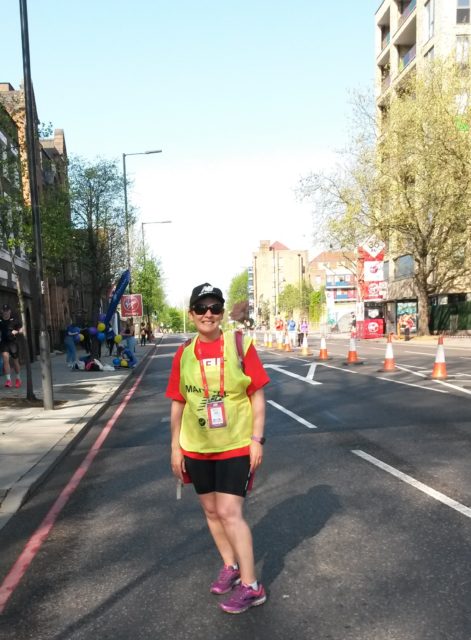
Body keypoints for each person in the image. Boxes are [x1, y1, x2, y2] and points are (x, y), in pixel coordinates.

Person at [166, 283, 270, 614]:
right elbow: (178, 402)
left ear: (222, 313)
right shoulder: (183, 353)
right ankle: (231, 566)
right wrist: (175, 447)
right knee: (210, 511)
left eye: (214, 308)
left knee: (229, 512)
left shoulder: (240, 345)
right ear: (192, 314)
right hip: (196, 446)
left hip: (235, 444)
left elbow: (257, 394)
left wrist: (257, 438)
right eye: (201, 308)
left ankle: (252, 586)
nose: (208, 314)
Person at [0, 304, 23, 388]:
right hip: (4, 343)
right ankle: (8, 380)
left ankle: (18, 379)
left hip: (13, 343)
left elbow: (21, 329)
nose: (5, 312)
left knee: (15, 361)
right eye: (4, 311)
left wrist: (16, 331)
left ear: (9, 311)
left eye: (7, 310)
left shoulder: (14, 320)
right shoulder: (0, 320)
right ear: (2, 311)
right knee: (6, 360)